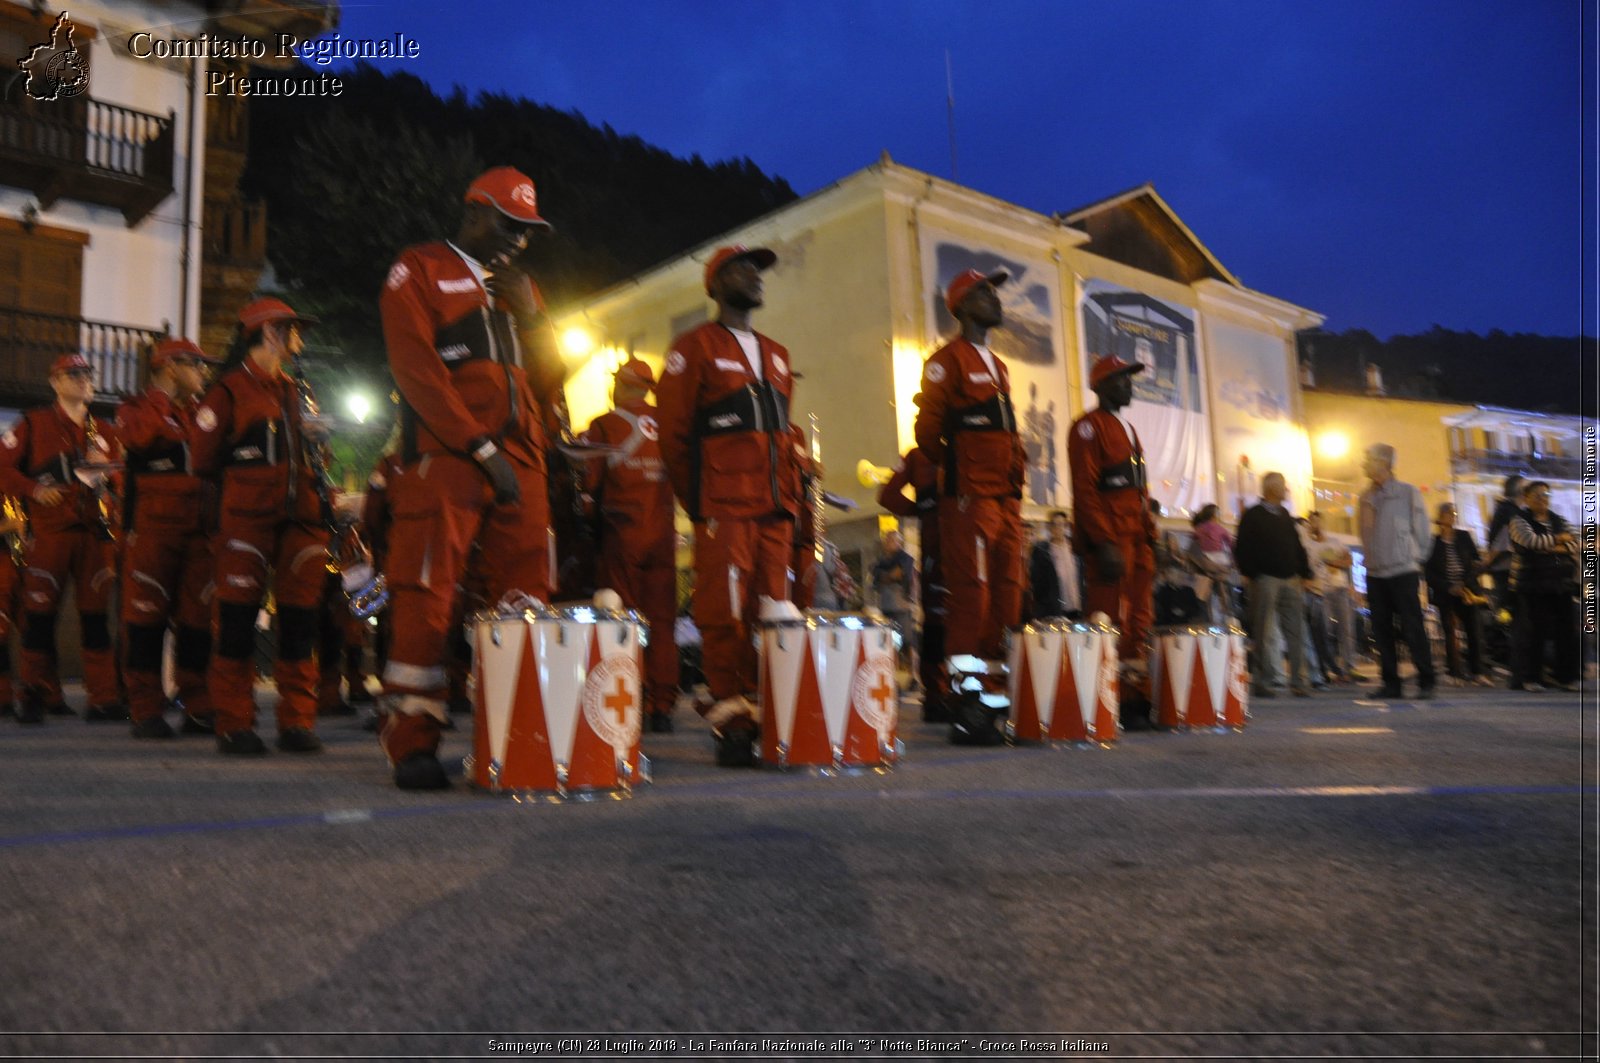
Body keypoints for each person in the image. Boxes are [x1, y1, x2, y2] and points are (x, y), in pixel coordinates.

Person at [376, 166, 565, 789]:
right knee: (428, 590)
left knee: (526, 599)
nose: (519, 240)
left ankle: (519, 735)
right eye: (510, 225)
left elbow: (550, 382)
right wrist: (480, 448)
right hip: (450, 455)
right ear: (475, 211)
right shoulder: (421, 268)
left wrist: (535, 318)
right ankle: (412, 737)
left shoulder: (520, 288)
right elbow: (416, 369)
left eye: (528, 231)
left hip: (525, 457)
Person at [656, 245, 799, 767]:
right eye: (741, 269)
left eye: (759, 271)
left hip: (775, 509)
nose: (754, 278)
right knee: (723, 614)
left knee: (776, 617)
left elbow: (781, 437)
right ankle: (732, 720)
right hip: (723, 505)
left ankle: (773, 712)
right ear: (714, 285)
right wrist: (700, 503)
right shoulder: (692, 347)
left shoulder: (778, 353)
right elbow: (673, 436)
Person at [191, 299, 332, 755]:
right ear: (270, 331)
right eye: (294, 329)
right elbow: (204, 461)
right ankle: (234, 724)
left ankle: (296, 723)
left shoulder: (297, 390)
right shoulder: (228, 392)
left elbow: (316, 462)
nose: (300, 339)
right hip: (246, 523)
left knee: (299, 625)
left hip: (301, 523)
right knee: (235, 624)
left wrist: (318, 443)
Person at [913, 268, 1026, 745]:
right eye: (983, 291)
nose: (993, 298)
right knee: (971, 600)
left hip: (1003, 501)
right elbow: (927, 433)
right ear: (961, 305)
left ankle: (994, 695)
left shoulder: (999, 366)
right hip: (969, 499)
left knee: (1006, 598)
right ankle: (966, 696)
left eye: (994, 291)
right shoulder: (946, 360)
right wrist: (960, 470)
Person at [0, 353, 124, 723]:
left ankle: (103, 699)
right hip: (50, 533)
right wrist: (34, 489)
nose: (83, 379)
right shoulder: (33, 424)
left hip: (93, 534)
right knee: (38, 617)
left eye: (87, 373)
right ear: (55, 382)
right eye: (74, 374)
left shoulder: (104, 430)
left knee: (96, 619)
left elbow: (119, 479)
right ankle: (34, 696)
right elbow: (2, 467)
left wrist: (112, 487)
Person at [115, 337, 223, 739]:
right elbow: (140, 436)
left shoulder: (201, 413)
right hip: (152, 532)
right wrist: (162, 400)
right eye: (196, 364)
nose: (204, 372)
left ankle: (197, 704)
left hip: (199, 534)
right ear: (171, 366)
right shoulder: (136, 408)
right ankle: (145, 709)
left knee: (198, 622)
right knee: (145, 621)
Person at [578, 357, 679, 732]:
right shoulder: (669, 424)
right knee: (663, 621)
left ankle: (630, 695)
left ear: (621, 384)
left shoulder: (604, 424)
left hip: (623, 531)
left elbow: (589, 481)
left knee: (624, 620)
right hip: (663, 534)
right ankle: (663, 705)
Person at [1068, 353, 1158, 719]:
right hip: (1112, 538)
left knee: (1139, 616)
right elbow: (1085, 491)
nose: (1128, 385)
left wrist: (1151, 534)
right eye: (1121, 378)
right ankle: (1102, 695)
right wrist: (1103, 541)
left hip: (1136, 537)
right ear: (1101, 385)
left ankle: (1133, 693)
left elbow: (1140, 491)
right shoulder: (1087, 428)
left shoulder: (1129, 430)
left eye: (1130, 378)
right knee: (1108, 617)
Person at [1357, 443, 1435, 700]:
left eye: (1368, 459)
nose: (1364, 463)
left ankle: (1426, 680)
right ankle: (1391, 684)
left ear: (1384, 463)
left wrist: (1417, 558)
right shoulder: (1364, 497)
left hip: (1403, 570)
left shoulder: (1407, 493)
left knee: (1412, 627)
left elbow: (1422, 528)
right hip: (1376, 572)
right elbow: (1364, 533)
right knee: (1381, 630)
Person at [878, 446, 946, 720]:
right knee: (942, 623)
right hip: (946, 547)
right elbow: (886, 495)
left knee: (938, 622)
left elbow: (887, 495)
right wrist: (922, 509)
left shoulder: (917, 456)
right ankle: (951, 695)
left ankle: (939, 695)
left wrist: (921, 509)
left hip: (937, 549)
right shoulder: (920, 456)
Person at [1234, 472, 1312, 697]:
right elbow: (1243, 547)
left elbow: (1297, 545)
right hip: (1265, 578)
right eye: (1280, 485)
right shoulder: (1253, 515)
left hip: (1290, 578)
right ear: (1270, 488)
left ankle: (1299, 680)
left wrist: (1303, 571)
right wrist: (1252, 573)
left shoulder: (1285, 514)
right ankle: (1265, 680)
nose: (1285, 488)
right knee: (1264, 631)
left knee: (1296, 631)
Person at [1508, 480, 1579, 691]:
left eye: (1546, 495)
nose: (1543, 499)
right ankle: (1532, 678)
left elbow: (1575, 543)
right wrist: (1558, 541)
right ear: (1527, 498)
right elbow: (1529, 542)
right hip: (1531, 584)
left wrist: (1550, 547)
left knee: (1566, 631)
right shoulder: (1519, 520)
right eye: (1538, 495)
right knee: (1534, 632)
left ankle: (1565, 677)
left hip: (1560, 583)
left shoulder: (1560, 519)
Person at [1425, 501, 1487, 684]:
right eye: (1448, 513)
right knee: (1450, 631)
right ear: (1440, 517)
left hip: (1467, 590)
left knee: (1474, 630)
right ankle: (1455, 672)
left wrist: (1464, 582)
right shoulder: (1433, 543)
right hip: (1446, 593)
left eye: (1453, 513)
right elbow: (1429, 573)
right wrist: (1448, 586)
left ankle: (1478, 671)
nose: (1452, 516)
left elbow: (1476, 562)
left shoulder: (1464, 537)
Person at [1308, 510, 1361, 681]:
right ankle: (1330, 667)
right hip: (1321, 590)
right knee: (1325, 630)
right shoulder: (1308, 545)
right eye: (1312, 522)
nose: (1315, 525)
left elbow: (1349, 561)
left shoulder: (1334, 542)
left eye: (1317, 521)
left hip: (1340, 588)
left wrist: (1332, 562)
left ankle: (1348, 666)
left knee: (1346, 629)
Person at [1187, 503, 1237, 625]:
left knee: (1205, 606)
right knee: (1225, 602)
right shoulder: (1221, 529)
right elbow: (1230, 544)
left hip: (1205, 572)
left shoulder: (1199, 531)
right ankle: (1229, 624)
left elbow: (1192, 552)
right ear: (1215, 516)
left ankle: (1208, 627)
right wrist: (1231, 563)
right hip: (1220, 568)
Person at [1027, 509, 1080, 620]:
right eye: (1054, 525)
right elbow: (1037, 580)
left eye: (1062, 524)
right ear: (1049, 527)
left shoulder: (1075, 549)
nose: (1058, 528)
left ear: (1066, 526)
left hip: (1076, 608)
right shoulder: (1042, 551)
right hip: (1053, 609)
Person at [870, 529, 914, 652]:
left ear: (899, 543)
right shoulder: (881, 561)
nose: (887, 542)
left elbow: (897, 574)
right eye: (887, 540)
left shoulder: (905, 558)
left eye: (891, 540)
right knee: (890, 641)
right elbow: (877, 575)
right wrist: (888, 576)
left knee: (906, 641)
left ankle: (911, 668)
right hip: (885, 607)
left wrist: (884, 576)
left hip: (901, 606)